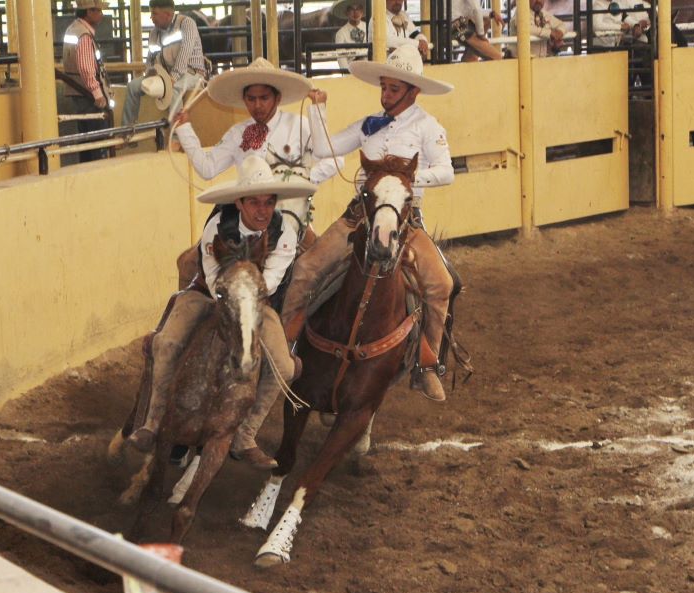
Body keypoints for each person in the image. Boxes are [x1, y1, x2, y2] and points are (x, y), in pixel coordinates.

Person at [120, 156, 316, 469]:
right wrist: (232, 298)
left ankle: (245, 435)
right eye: (255, 202)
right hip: (207, 296)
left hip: (255, 301)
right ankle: (153, 423)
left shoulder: (286, 235)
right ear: (239, 203)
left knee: (285, 365)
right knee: (166, 342)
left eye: (269, 202)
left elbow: (268, 282)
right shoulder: (216, 226)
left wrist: (245, 301)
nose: (263, 210)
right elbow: (212, 279)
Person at [295, 44, 457, 402]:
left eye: (393, 89)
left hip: (405, 221)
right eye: (384, 87)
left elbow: (446, 172)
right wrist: (319, 108)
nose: (385, 95)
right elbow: (324, 149)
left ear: (412, 91)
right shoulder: (369, 125)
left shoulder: (429, 127)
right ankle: (288, 350)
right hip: (360, 216)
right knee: (306, 269)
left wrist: (405, 182)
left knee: (441, 283)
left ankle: (425, 364)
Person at [172, 58, 342, 285]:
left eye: (264, 98)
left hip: (291, 217)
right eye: (251, 99)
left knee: (322, 274)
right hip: (244, 216)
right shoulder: (237, 133)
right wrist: (184, 129)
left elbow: (335, 159)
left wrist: (301, 179)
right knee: (192, 264)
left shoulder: (298, 125)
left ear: (277, 98)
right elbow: (208, 168)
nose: (257, 105)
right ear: (244, 100)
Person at [121, 0, 206, 126]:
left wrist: (172, 78)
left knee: (173, 89)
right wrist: (150, 74)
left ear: (167, 14)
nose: (151, 17)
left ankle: (177, 135)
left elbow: (184, 55)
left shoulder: (186, 24)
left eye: (154, 14)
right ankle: (127, 131)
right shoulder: (154, 32)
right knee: (133, 86)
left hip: (192, 74)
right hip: (165, 75)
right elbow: (150, 59)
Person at [62, 0, 113, 162]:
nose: (101, 15)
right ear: (89, 11)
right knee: (96, 140)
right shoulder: (84, 35)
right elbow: (85, 67)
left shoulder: (73, 29)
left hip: (77, 92)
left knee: (85, 138)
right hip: (87, 95)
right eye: (98, 11)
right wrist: (97, 93)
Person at [332, 0, 368, 69]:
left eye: (358, 9)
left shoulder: (369, 28)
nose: (355, 12)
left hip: (369, 68)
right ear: (346, 13)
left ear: (362, 11)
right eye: (352, 9)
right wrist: (347, 73)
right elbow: (341, 58)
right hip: (352, 69)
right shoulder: (341, 33)